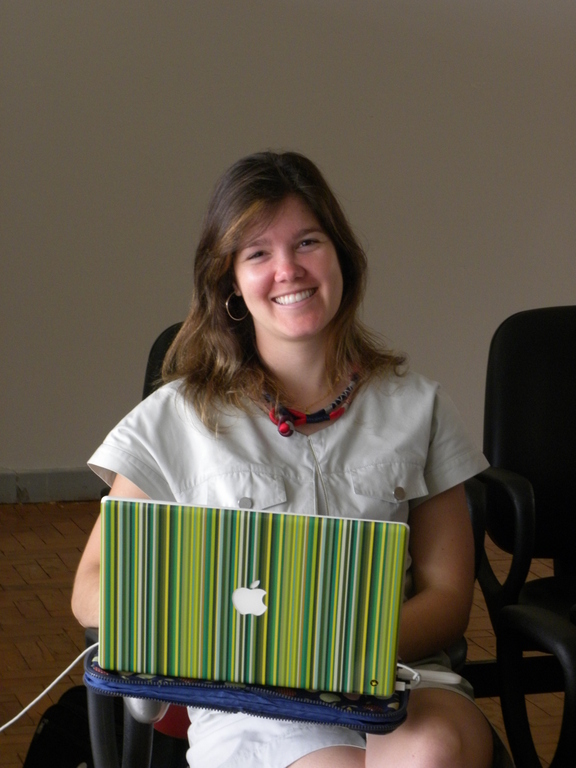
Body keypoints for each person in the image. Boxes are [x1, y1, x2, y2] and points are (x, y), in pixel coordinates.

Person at [72, 150, 494, 767]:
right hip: (252, 705)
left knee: (433, 750)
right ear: (231, 283)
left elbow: (448, 595)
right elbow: (91, 586)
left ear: (341, 256)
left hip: (400, 682)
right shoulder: (177, 415)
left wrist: (338, 656)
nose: (288, 270)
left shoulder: (420, 407)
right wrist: (209, 637)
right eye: (258, 254)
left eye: (307, 242)